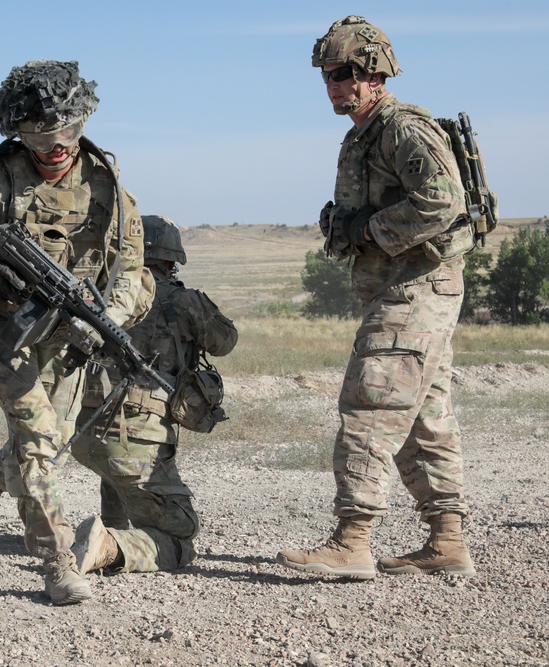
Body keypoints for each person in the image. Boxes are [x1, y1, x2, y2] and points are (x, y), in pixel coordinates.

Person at [0, 60, 150, 604]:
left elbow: (130, 265)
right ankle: (57, 563)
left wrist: (105, 319)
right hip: (3, 328)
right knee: (38, 438)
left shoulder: (109, 189)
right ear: (18, 132)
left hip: (68, 332)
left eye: (67, 132)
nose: (57, 147)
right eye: (42, 136)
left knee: (46, 445)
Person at [276, 16, 477, 580]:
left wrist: (368, 232)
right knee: (422, 418)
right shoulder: (363, 134)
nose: (332, 85)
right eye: (326, 76)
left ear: (372, 73)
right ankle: (448, 542)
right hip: (405, 291)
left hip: (414, 291)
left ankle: (353, 541)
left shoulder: (401, 128)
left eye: (341, 74)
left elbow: (442, 201)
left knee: (369, 407)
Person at [70, 215, 237, 575]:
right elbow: (225, 342)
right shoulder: (184, 302)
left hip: (84, 431)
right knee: (181, 533)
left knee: (114, 459)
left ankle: (110, 524)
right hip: (136, 438)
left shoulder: (101, 298)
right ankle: (109, 546)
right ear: (168, 260)